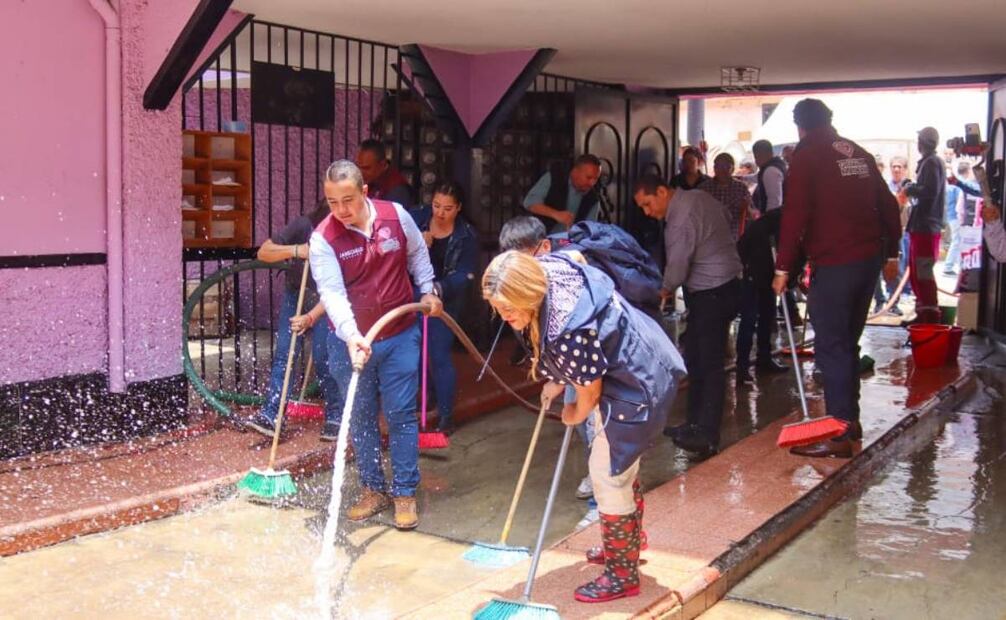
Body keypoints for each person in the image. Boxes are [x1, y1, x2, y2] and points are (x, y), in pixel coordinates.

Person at [482, 250, 686, 604]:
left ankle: (622, 574)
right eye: (499, 308)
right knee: (620, 468)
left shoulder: (566, 331)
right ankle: (628, 543)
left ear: (530, 290)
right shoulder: (551, 267)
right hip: (640, 354)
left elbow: (590, 389)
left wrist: (573, 412)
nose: (505, 315)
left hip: (634, 387)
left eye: (510, 306)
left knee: (608, 474)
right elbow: (577, 255)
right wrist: (557, 380)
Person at [309, 159, 442, 530]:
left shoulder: (396, 216)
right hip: (350, 343)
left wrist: (428, 290)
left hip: (399, 333)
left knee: (400, 415)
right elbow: (332, 294)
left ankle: (404, 492)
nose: (341, 211)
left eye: (348, 200)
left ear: (365, 192)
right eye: (332, 202)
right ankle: (373, 489)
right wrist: (352, 336)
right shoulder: (324, 238)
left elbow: (417, 255)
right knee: (361, 418)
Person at [772, 98, 901, 459]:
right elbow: (888, 204)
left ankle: (840, 431)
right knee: (847, 341)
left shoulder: (807, 156)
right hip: (867, 261)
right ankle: (851, 422)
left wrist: (783, 268)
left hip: (837, 261)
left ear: (799, 126)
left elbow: (794, 215)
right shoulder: (856, 152)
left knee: (832, 346)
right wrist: (891, 253)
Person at [634, 174, 742, 458]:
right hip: (727, 283)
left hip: (712, 292)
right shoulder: (699, 197)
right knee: (695, 356)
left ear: (661, 191)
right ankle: (694, 424)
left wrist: (663, 291)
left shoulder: (679, 219)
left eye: (648, 204)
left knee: (709, 363)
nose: (648, 213)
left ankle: (706, 435)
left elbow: (679, 265)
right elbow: (728, 216)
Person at [246, 201, 344, 441]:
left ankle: (336, 415)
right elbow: (264, 252)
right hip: (296, 292)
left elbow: (345, 284)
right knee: (285, 354)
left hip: (327, 298)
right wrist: (298, 250)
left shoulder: (347, 234)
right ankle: (273, 414)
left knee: (324, 358)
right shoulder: (304, 225)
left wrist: (314, 315)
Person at [408, 182, 478, 435]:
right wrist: (416, 245)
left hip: (446, 299)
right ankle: (429, 397)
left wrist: (438, 290)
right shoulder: (416, 219)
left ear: (458, 208)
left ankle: (446, 415)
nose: (440, 213)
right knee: (416, 349)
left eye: (447, 208)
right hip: (415, 294)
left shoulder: (466, 236)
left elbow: (464, 274)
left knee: (438, 353)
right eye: (436, 206)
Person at [735, 209, 789, 384]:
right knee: (749, 320)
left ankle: (764, 358)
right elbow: (742, 247)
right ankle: (742, 368)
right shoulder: (774, 220)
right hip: (752, 270)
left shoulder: (787, 218)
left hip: (769, 273)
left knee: (768, 315)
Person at [903, 126, 947, 324]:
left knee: (923, 272)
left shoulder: (931, 163)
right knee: (918, 272)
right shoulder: (931, 163)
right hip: (923, 227)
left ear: (922, 143)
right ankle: (923, 313)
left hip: (926, 227)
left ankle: (929, 318)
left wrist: (910, 188)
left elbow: (929, 191)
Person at [522, 154, 602, 233]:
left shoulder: (593, 198)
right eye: (588, 177)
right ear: (575, 171)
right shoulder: (555, 177)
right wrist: (555, 214)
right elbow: (529, 202)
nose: (592, 183)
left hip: (569, 243)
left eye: (595, 179)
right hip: (540, 238)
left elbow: (589, 229)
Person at [698, 152, 754, 241]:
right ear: (714, 168)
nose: (722, 170)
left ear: (732, 169)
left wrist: (746, 208)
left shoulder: (741, 188)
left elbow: (751, 215)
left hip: (733, 240)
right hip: (708, 241)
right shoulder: (704, 189)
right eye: (719, 166)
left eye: (726, 166)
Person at [356, 138, 413, 209]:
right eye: (358, 167)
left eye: (366, 168)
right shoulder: (364, 181)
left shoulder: (397, 189)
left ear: (382, 165)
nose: (360, 172)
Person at [752, 139, 786, 215]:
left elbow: (774, 202)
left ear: (759, 155)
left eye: (756, 157)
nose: (756, 161)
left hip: (774, 219)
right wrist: (741, 178)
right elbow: (756, 177)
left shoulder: (770, 171)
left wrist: (768, 222)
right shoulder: (776, 165)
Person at [942, 168, 965, 275]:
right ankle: (949, 266)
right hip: (956, 217)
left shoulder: (948, 187)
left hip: (950, 216)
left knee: (956, 240)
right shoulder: (956, 187)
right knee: (957, 240)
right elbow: (959, 204)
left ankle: (954, 265)